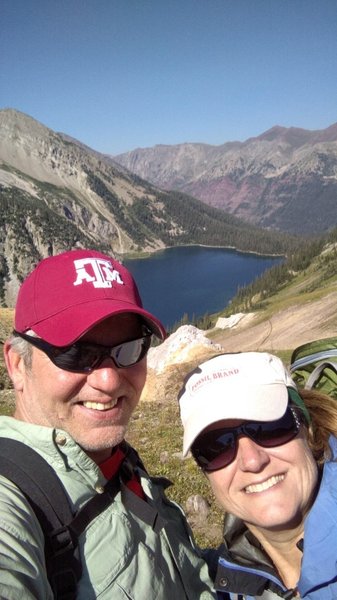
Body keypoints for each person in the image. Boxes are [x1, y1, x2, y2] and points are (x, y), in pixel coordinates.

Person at [1, 248, 216, 600]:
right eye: (76, 352)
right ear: (17, 365)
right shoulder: (13, 506)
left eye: (130, 349)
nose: (109, 381)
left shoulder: (113, 458)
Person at [178, 351, 337, 600]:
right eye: (216, 446)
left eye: (270, 426)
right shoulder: (219, 586)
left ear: (307, 429)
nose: (252, 460)